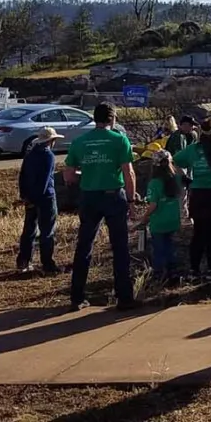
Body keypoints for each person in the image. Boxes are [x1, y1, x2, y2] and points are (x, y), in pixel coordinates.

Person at [65, 103, 140, 311]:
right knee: (120, 247)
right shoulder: (119, 140)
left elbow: (69, 175)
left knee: (84, 246)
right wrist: (132, 201)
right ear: (112, 119)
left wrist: (88, 174)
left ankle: (77, 297)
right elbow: (129, 173)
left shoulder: (80, 142)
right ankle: (124, 298)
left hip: (89, 197)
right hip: (114, 195)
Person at [174, 117, 211, 279]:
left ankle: (194, 270)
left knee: (199, 233)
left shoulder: (193, 149)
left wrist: (185, 178)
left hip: (199, 194)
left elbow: (173, 161)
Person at [17, 126, 65, 274]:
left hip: (30, 196)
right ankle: (47, 265)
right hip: (45, 198)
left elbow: (22, 176)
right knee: (47, 231)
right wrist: (37, 198)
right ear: (51, 141)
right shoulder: (48, 155)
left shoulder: (30, 154)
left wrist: (26, 197)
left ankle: (24, 262)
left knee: (29, 230)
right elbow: (44, 181)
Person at [142, 151, 183, 282]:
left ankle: (158, 274)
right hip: (173, 220)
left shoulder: (154, 183)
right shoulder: (176, 179)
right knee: (170, 245)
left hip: (158, 222)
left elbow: (153, 205)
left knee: (159, 249)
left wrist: (144, 217)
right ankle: (173, 272)